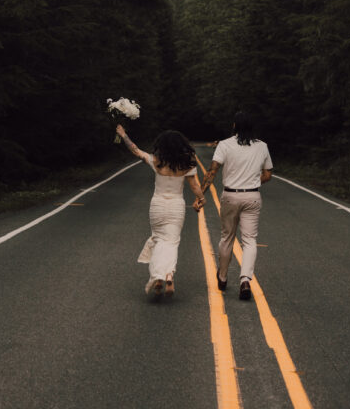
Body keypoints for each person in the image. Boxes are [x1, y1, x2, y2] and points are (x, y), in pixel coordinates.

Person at [116, 123, 205, 298]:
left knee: (158, 239)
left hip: (157, 205)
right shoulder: (187, 163)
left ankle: (158, 277)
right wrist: (201, 198)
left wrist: (124, 135)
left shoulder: (156, 160)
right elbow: (194, 185)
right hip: (176, 206)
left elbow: (135, 150)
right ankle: (168, 275)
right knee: (171, 242)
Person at [200, 110, 273, 301]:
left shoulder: (225, 145)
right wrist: (252, 182)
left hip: (231, 195)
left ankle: (222, 276)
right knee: (249, 240)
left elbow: (212, 171)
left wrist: (200, 194)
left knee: (227, 237)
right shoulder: (262, 146)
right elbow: (267, 174)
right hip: (252, 196)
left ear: (234, 126)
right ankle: (245, 280)